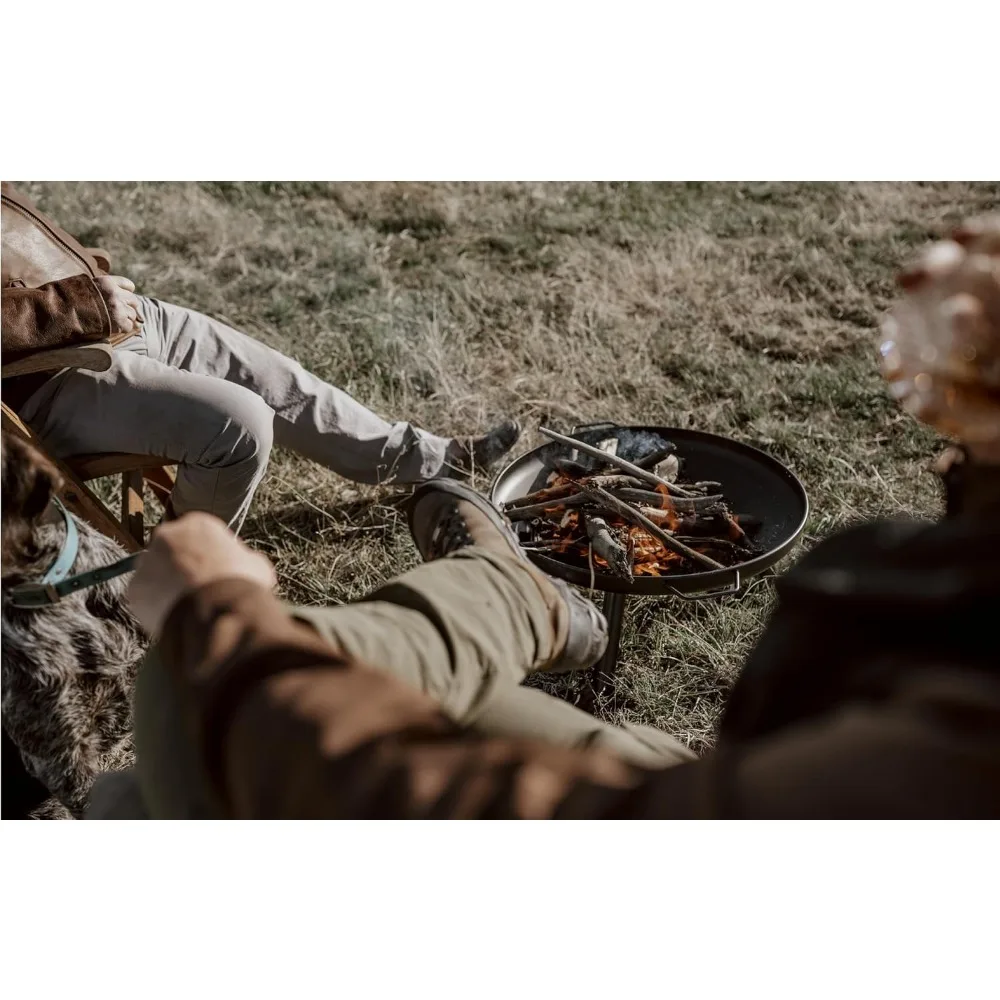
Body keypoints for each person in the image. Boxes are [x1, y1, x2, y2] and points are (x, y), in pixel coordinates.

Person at [90, 215, 1000, 820]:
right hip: (688, 772)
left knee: (165, 745)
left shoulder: (941, 761)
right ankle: (504, 578)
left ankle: (509, 585)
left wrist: (220, 618)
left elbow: (380, 792)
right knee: (150, 790)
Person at [1, 183, 520, 530]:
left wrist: (93, 280)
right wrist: (79, 307)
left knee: (278, 381)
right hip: (43, 379)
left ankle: (422, 459)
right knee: (239, 425)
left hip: (103, 321)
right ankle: (179, 587)